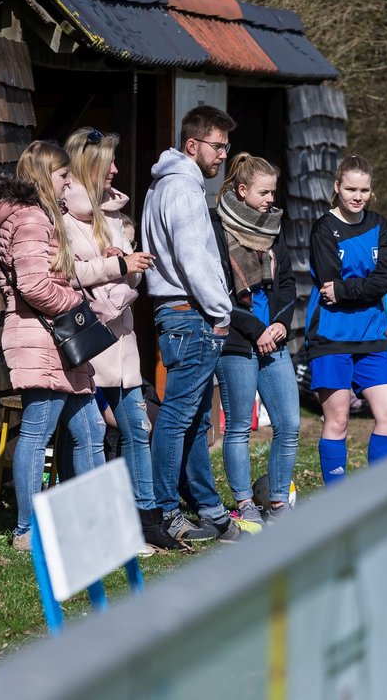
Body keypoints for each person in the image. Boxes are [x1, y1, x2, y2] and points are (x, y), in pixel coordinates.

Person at [62, 127, 184, 552]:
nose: (116, 170)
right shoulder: (62, 221)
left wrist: (121, 273)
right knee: (87, 436)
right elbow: (71, 278)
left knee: (136, 427)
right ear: (86, 167)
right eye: (108, 163)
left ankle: (146, 518)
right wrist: (118, 270)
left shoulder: (114, 216)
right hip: (87, 344)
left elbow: (131, 278)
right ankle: (91, 523)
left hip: (123, 341)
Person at [0, 141, 106, 551]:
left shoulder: (28, 216)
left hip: (52, 339)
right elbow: (33, 284)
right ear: (41, 176)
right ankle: (26, 530)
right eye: (62, 175)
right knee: (38, 432)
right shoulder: (33, 218)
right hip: (43, 338)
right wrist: (77, 304)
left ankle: (91, 525)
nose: (68, 181)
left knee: (90, 430)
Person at [140, 105, 241, 543]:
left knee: (196, 417)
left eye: (225, 146)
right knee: (179, 416)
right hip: (189, 312)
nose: (222, 155)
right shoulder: (182, 189)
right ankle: (163, 512)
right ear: (192, 145)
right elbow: (194, 258)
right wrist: (221, 312)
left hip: (182, 312)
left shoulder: (168, 185)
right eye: (217, 146)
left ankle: (207, 507)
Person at [211, 153, 300, 530]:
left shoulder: (273, 229)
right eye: (264, 192)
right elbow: (218, 293)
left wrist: (279, 324)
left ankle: (278, 501)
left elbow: (288, 284)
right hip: (237, 342)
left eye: (273, 192)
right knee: (238, 428)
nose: (270, 200)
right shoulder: (218, 231)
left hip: (274, 341)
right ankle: (245, 503)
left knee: (290, 423)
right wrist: (255, 329)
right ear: (242, 190)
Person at [304, 154, 387, 484]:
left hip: (372, 335)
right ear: (337, 187)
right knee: (338, 420)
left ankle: (379, 493)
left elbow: (385, 278)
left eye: (364, 190)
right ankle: (338, 502)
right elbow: (329, 283)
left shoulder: (380, 225)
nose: (357, 196)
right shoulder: (324, 229)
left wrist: (348, 289)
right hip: (331, 336)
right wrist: (361, 286)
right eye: (350, 189)